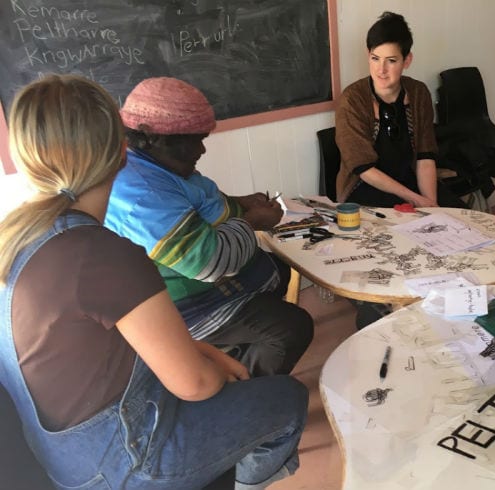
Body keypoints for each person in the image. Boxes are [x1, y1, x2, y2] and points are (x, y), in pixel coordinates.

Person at [0, 75, 307, 489]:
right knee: (288, 398)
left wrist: (203, 356)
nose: (200, 148)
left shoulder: (20, 235)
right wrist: (220, 377)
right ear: (121, 152)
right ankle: (238, 478)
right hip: (119, 465)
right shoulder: (104, 253)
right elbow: (195, 385)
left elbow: (115, 342)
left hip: (64, 458)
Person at [104, 77, 313, 377]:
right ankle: (245, 394)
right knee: (292, 329)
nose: (202, 150)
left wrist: (241, 202)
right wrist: (252, 221)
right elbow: (210, 262)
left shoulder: (155, 164)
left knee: (278, 270)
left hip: (205, 286)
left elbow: (199, 203)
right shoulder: (140, 195)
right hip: (188, 310)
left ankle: (237, 352)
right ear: (151, 137)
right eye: (194, 141)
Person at [335, 11, 467, 209]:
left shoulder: (418, 92)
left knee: (459, 219)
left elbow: (425, 156)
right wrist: (415, 200)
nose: (381, 69)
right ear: (367, 55)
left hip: (410, 178)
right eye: (375, 58)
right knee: (407, 229)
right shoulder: (352, 99)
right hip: (365, 186)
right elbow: (363, 168)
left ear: (407, 60)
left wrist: (431, 203)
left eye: (391, 60)